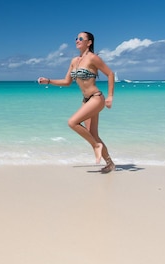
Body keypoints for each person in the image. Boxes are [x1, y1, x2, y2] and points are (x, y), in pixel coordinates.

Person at [38, 31, 116, 173]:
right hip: (86, 100)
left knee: (72, 122)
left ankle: (95, 146)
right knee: (93, 134)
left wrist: (110, 96)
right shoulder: (74, 61)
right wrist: (48, 81)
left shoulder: (93, 58)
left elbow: (110, 74)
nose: (77, 40)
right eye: (76, 38)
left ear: (89, 42)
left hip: (96, 98)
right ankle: (110, 163)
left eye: (81, 38)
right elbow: (67, 82)